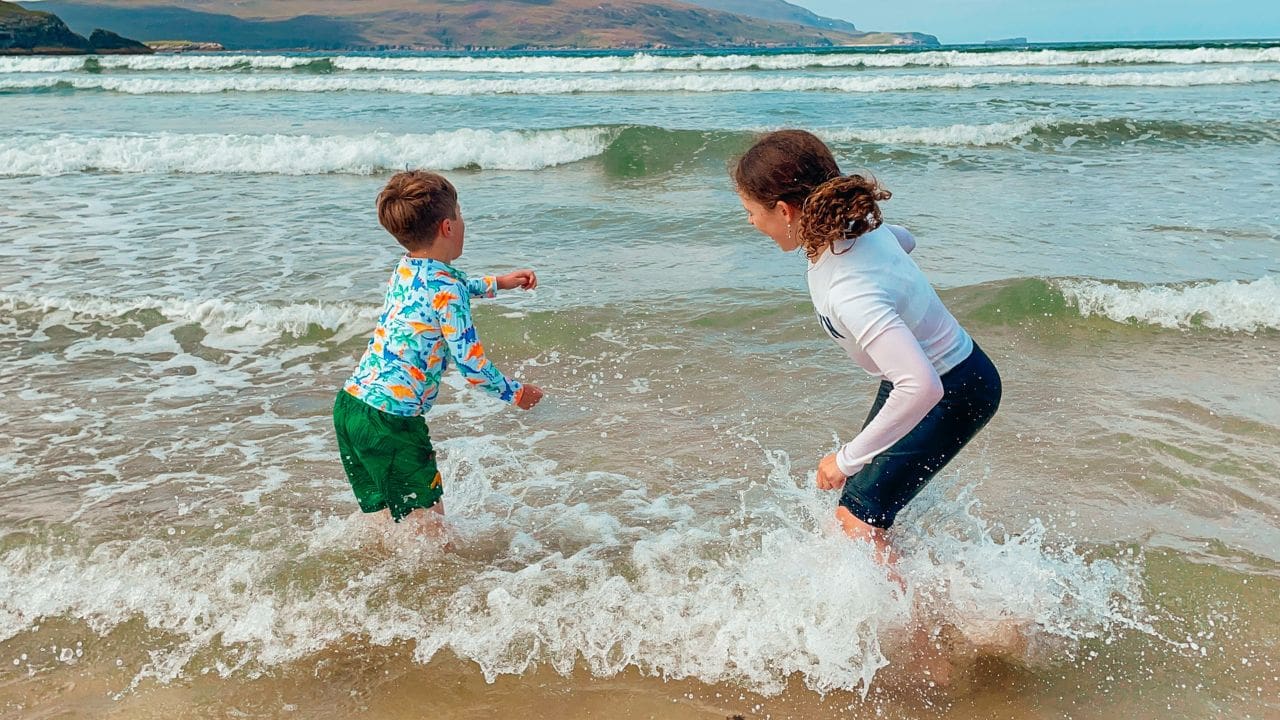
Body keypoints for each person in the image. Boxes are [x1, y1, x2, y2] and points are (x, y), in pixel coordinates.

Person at [732, 130, 1001, 562]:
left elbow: (922, 386)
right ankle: (927, 590)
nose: (749, 222)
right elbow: (905, 238)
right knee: (855, 514)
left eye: (749, 211)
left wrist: (846, 457)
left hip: (953, 390)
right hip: (928, 379)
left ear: (783, 211)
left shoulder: (850, 291)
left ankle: (918, 627)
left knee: (855, 523)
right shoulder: (851, 235)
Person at [334, 170, 544, 532]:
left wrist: (500, 283)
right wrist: (517, 393)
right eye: (460, 215)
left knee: (387, 525)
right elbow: (473, 367)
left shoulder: (406, 268)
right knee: (433, 537)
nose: (464, 222)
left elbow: (450, 285)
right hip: (392, 423)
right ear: (448, 227)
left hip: (352, 409)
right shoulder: (448, 289)